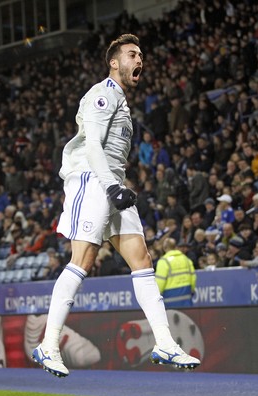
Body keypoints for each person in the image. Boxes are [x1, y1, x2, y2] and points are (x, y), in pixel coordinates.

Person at [31, 34, 200, 377]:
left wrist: (117, 186)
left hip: (112, 186)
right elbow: (92, 146)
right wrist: (111, 186)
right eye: (132, 54)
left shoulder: (122, 102)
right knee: (83, 259)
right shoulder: (103, 94)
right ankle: (48, 344)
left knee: (142, 260)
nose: (140, 60)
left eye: (141, 56)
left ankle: (165, 342)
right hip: (91, 180)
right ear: (114, 61)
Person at [155, 238, 197, 307]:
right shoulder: (186, 259)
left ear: (164, 248)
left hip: (170, 297)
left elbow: (160, 281)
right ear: (175, 247)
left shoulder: (163, 261)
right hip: (186, 295)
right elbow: (193, 277)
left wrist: (157, 295)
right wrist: (191, 290)